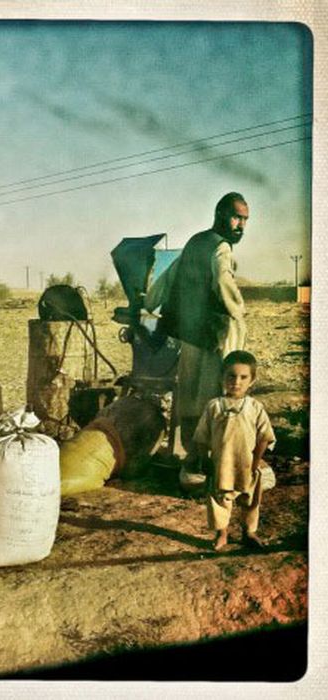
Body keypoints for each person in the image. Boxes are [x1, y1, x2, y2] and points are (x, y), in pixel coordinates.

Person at [146, 192, 249, 454]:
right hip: (215, 335)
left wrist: (148, 303)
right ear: (220, 215)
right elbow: (223, 281)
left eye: (245, 219)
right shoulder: (221, 247)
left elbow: (169, 276)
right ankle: (212, 456)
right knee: (216, 395)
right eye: (236, 217)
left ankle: (193, 454)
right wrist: (239, 312)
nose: (241, 225)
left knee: (189, 396)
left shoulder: (195, 241)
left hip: (190, 334)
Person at [190, 350, 275, 551]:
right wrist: (204, 460)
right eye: (231, 376)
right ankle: (222, 534)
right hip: (222, 465)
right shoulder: (214, 406)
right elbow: (201, 437)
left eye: (243, 377)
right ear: (222, 377)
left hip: (247, 465)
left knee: (250, 500)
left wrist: (255, 462)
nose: (236, 382)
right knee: (220, 501)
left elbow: (265, 437)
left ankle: (249, 532)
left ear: (252, 381)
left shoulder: (255, 407)